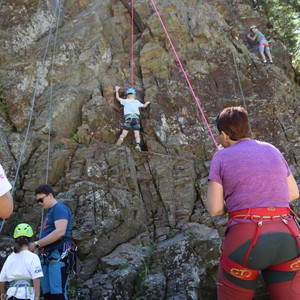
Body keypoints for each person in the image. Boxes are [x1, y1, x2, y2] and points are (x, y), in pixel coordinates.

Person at [207, 106, 300, 300]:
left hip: (246, 239)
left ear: (224, 135)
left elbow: (215, 209)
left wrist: (235, 203)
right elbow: (293, 193)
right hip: (288, 235)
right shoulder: (272, 149)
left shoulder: (221, 156)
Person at [28, 184, 73, 300]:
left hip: (57, 254)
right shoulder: (51, 212)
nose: (40, 203)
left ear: (50, 195)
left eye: (41, 199)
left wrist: (37, 244)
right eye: (38, 201)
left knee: (57, 294)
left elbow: (60, 232)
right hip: (48, 255)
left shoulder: (59, 208)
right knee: (48, 295)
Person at [0, 223, 43, 300]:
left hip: (11, 295)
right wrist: (37, 296)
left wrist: (3, 293)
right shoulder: (33, 257)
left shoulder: (10, 257)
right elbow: (36, 278)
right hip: (27, 295)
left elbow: (2, 279)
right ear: (30, 239)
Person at [115, 86, 150, 151]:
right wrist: (147, 103)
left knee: (124, 133)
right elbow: (144, 106)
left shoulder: (125, 101)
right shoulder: (136, 102)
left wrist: (117, 90)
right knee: (137, 135)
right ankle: (137, 145)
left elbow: (117, 98)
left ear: (127, 96)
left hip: (128, 119)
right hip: (136, 120)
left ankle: (121, 138)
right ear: (134, 95)